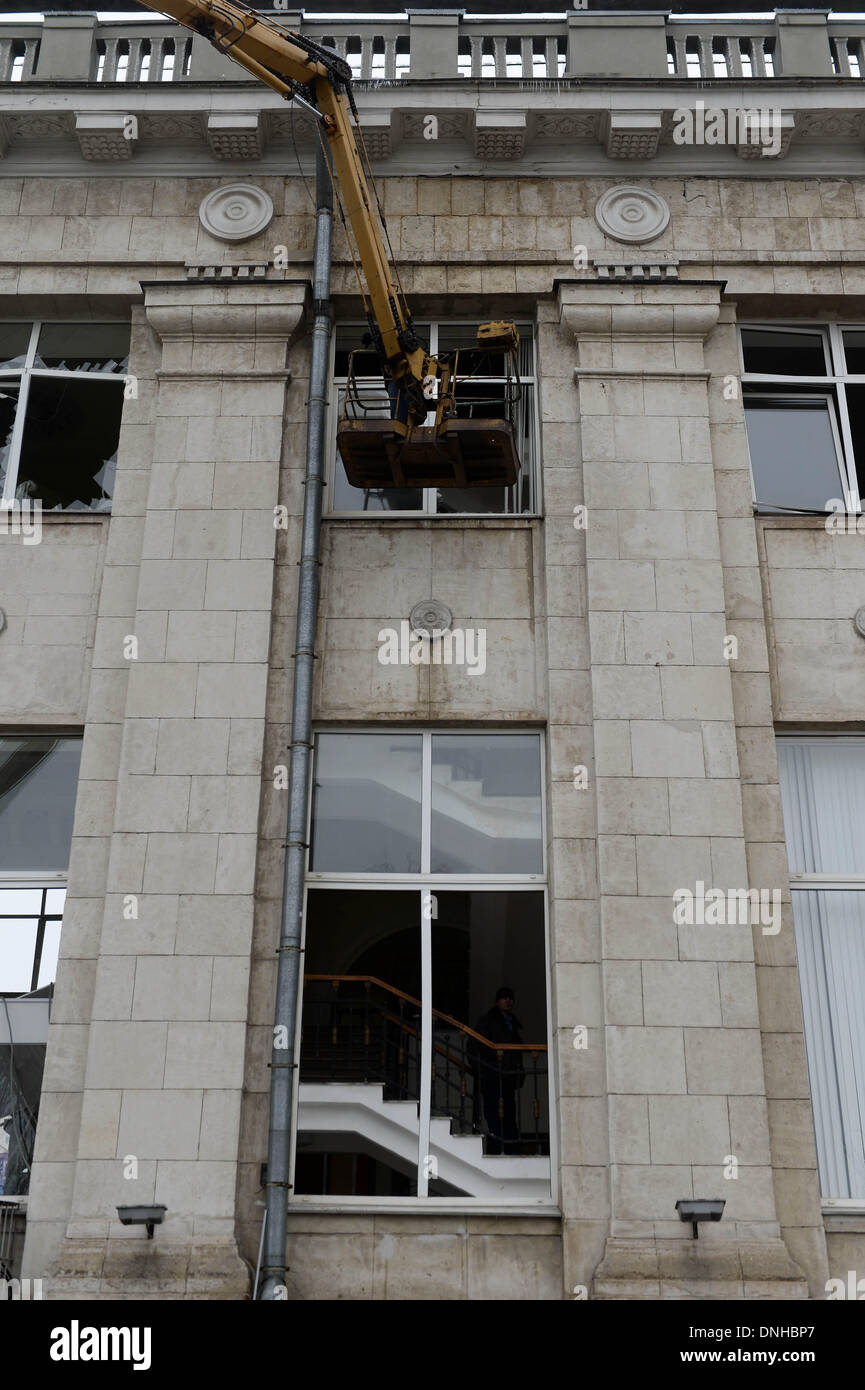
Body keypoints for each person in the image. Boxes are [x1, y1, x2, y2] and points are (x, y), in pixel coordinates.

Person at [473, 987, 524, 1155]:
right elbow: (475, 1048)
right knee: (494, 1115)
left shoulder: (511, 1024)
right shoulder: (488, 1021)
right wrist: (485, 1070)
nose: (508, 1001)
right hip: (492, 1077)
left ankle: (510, 1149)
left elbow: (516, 1053)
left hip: (507, 1078)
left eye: (510, 998)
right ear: (497, 1001)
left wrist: (518, 1073)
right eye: (504, 998)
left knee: (508, 1116)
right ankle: (499, 1148)